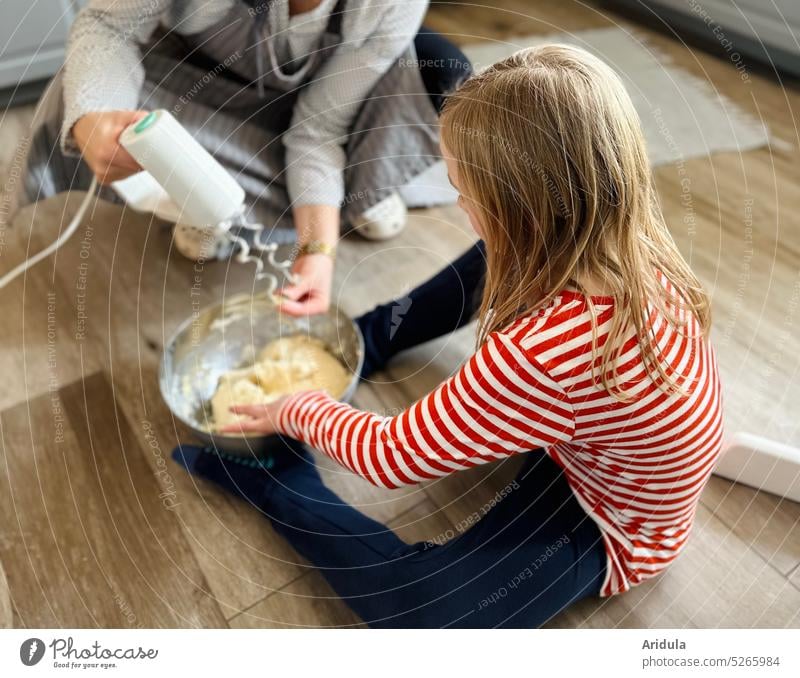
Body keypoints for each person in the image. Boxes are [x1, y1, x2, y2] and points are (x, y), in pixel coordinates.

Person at [172, 45, 724, 628]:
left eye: (464, 192)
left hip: (608, 519)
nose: (457, 203)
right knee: (496, 257)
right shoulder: (629, 240)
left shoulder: (539, 357)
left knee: (428, 618)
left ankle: (278, 481)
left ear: (520, 209)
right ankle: (370, 337)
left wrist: (297, 408)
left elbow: (390, 458)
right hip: (596, 446)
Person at [5, 0, 471, 315]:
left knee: (439, 70)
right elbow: (107, 24)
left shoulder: (388, 7)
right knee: (78, 96)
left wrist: (317, 251)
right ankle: (203, 200)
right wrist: (94, 118)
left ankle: (361, 189)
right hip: (195, 82)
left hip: (316, 102)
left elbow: (317, 130)